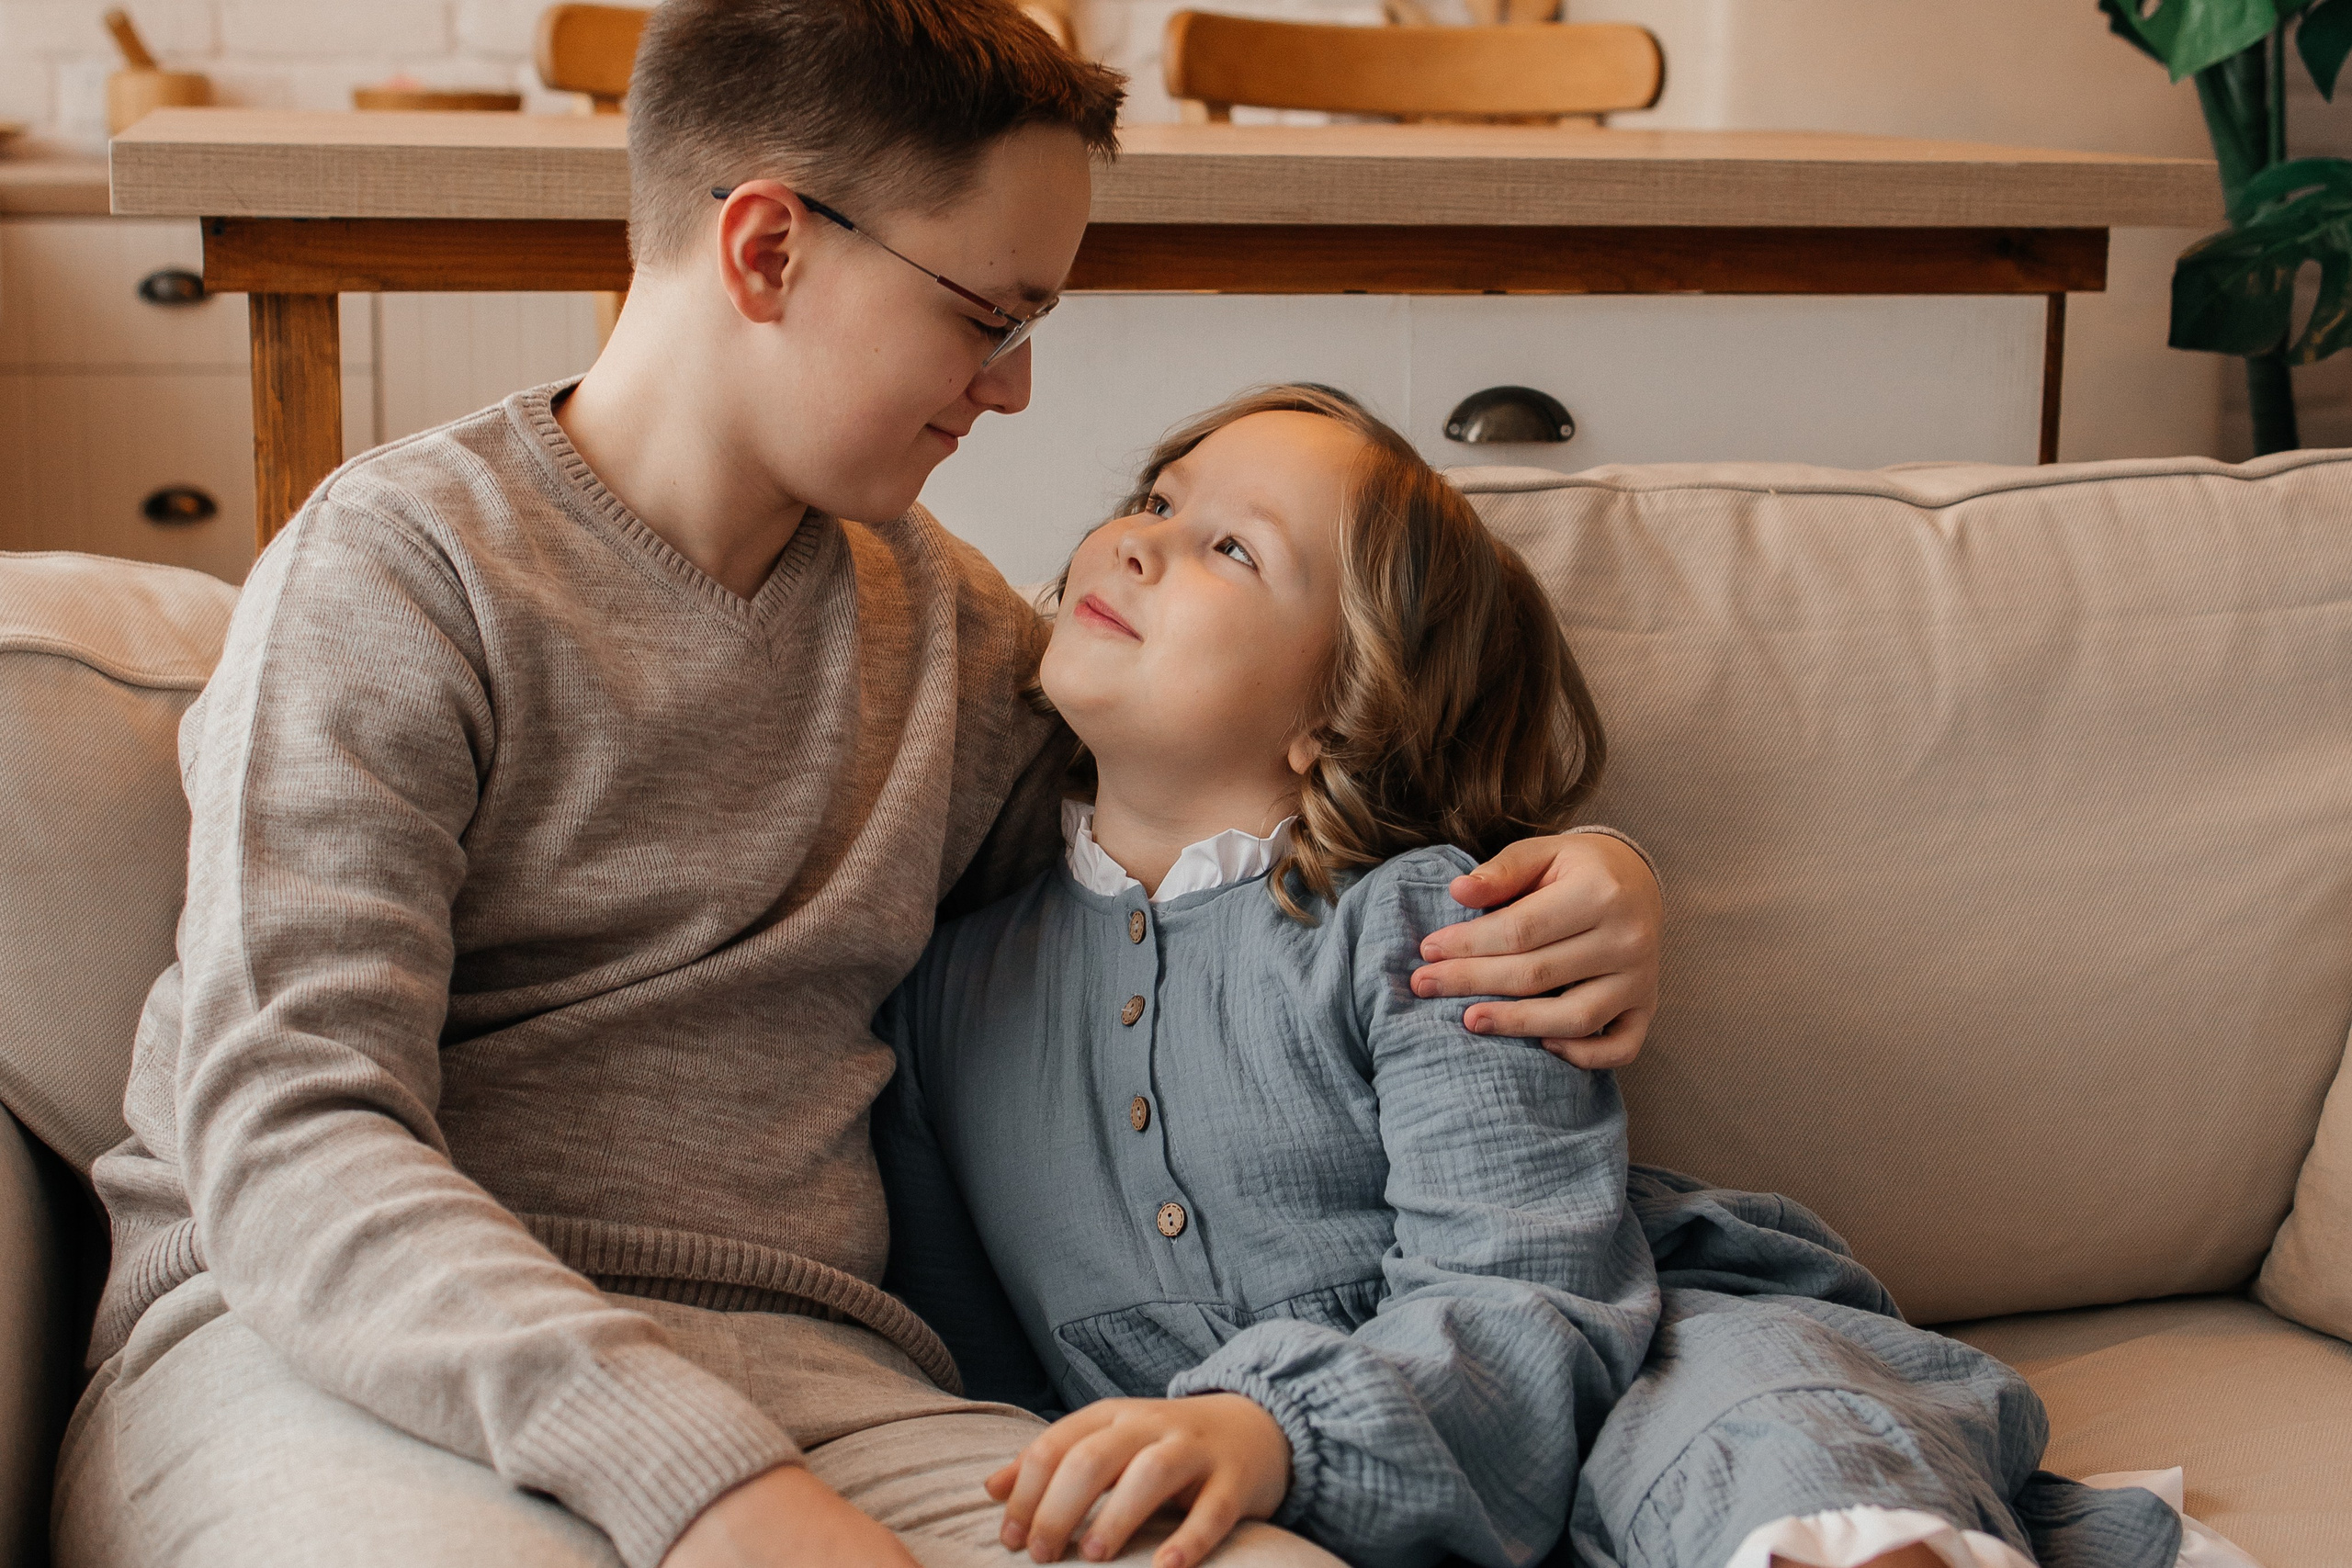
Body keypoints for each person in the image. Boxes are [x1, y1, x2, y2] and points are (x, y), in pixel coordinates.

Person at [51, 6, 1665, 1568]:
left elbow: (1229, 814)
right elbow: (288, 1125)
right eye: (989, 315)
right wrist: (699, 1485)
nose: (1017, 387)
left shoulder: (949, 633)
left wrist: (1575, 871)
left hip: (840, 1388)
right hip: (340, 1344)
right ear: (768, 248)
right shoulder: (399, 572)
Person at [873, 386, 2188, 1568]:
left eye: (1232, 547)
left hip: (1623, 1356)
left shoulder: (1425, 924)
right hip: (1286, 1504)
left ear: (1340, 704)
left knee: (1762, 1423)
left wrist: (1271, 1426)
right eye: (1158, 499)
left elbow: (1529, 1294)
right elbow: (974, 1386)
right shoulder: (946, 995)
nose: (1139, 539)